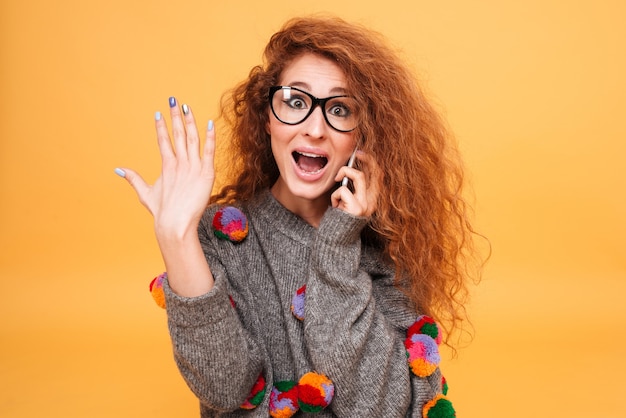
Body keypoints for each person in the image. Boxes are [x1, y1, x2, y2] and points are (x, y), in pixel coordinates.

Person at [115, 15, 481, 418]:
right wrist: (176, 238)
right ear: (267, 119)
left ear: (362, 135)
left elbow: (381, 408)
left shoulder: (386, 247)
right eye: (295, 101)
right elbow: (225, 390)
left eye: (340, 109)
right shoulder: (222, 239)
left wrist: (340, 241)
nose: (314, 128)